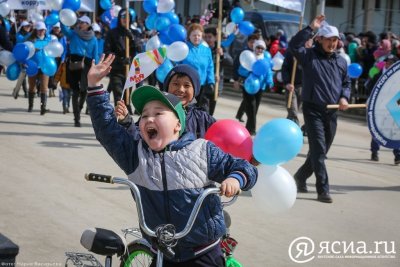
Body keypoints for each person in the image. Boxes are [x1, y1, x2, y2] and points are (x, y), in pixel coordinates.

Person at [86, 54, 257, 266]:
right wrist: (94, 86)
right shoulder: (136, 156)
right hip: (163, 249)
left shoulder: (202, 150)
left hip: (204, 250)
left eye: (158, 113)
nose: (149, 118)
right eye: (145, 114)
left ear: (178, 125)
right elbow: (107, 131)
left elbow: (241, 166)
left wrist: (235, 179)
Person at [289, 15, 350, 203]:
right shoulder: (309, 56)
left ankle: (299, 177)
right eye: (329, 40)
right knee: (318, 150)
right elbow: (293, 45)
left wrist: (344, 97)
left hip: (332, 112)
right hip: (312, 109)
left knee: (320, 152)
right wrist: (310, 28)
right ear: (320, 40)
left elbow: (346, 83)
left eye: (335, 40)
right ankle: (323, 189)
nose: (332, 43)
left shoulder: (341, 62)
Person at [117, 64, 216, 139]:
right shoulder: (154, 113)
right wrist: (126, 122)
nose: (181, 89)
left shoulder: (203, 118)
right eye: (176, 84)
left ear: (195, 91)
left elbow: (222, 136)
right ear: (167, 87)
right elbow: (137, 138)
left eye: (187, 86)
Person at [62, 15, 99, 127]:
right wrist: (62, 17)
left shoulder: (93, 38)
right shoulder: (73, 33)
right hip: (74, 63)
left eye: (83, 22)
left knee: (84, 91)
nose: (80, 24)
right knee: (75, 91)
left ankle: (79, 107)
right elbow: (64, 30)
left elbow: (95, 55)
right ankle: (76, 118)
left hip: (87, 66)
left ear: (88, 24)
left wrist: (95, 68)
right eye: (79, 22)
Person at [104, 8, 142, 107]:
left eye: (128, 17)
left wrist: (132, 38)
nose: (126, 19)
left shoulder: (135, 33)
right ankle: (119, 120)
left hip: (129, 71)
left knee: (126, 98)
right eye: (123, 17)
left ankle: (124, 120)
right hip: (116, 70)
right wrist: (120, 59)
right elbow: (107, 52)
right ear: (119, 18)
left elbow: (140, 49)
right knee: (118, 96)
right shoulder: (112, 33)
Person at [366, 54, 400, 165]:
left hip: (394, 107)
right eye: (387, 62)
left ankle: (398, 155)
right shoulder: (378, 75)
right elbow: (370, 87)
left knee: (395, 131)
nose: (388, 64)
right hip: (380, 106)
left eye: (391, 62)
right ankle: (374, 152)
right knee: (378, 129)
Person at [234, 39, 273, 135]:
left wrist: (270, 82)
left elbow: (268, 72)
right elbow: (241, 71)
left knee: (255, 109)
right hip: (248, 86)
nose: (260, 50)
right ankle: (252, 130)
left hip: (260, 87)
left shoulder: (265, 59)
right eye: (258, 47)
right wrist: (250, 71)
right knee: (251, 107)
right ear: (254, 48)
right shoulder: (249, 58)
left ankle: (248, 127)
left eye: (262, 48)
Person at [180, 23, 215, 114]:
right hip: (187, 86)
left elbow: (210, 67)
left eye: (199, 35)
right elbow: (178, 66)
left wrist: (211, 82)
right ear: (189, 36)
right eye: (194, 35)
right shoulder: (184, 48)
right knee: (189, 109)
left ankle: (199, 127)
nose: (196, 37)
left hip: (202, 85)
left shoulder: (206, 50)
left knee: (202, 110)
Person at [282, 38, 313, 128]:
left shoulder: (310, 54)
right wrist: (287, 82)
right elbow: (285, 68)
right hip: (291, 87)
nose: (309, 43)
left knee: (293, 113)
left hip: (303, 87)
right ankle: (296, 134)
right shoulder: (291, 52)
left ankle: (286, 131)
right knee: (293, 112)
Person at [233, 34, 259, 123]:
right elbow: (235, 65)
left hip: (255, 81)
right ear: (248, 42)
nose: (253, 44)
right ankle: (250, 122)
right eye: (251, 42)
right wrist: (236, 79)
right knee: (249, 100)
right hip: (244, 80)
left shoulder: (258, 53)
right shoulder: (243, 53)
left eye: (255, 42)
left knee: (248, 100)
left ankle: (239, 114)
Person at [27, 21, 52, 115]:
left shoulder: (48, 39)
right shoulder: (31, 39)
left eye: (43, 30)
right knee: (32, 87)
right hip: (33, 66)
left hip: (44, 66)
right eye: (39, 30)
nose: (41, 32)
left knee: (44, 88)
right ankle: (30, 105)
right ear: (36, 31)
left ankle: (43, 107)